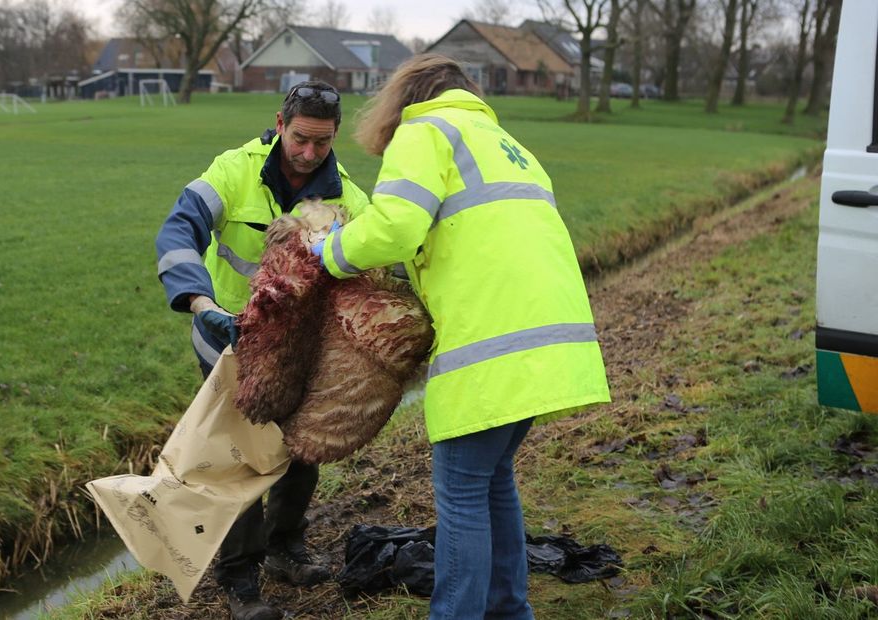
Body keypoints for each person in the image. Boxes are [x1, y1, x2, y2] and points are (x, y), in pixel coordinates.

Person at [315, 54, 611, 619]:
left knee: (463, 495)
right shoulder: (503, 142)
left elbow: (396, 226)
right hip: (550, 342)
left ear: (404, 99)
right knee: (494, 479)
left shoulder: (423, 131)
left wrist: (327, 254)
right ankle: (508, 610)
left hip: (491, 345)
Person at [154, 80, 369, 620]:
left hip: (300, 349)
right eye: (299, 138)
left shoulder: (348, 196)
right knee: (240, 455)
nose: (308, 153)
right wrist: (202, 304)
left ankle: (284, 549)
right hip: (228, 337)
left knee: (300, 447)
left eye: (321, 143)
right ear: (279, 124)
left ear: (335, 136)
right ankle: (239, 578)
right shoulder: (233, 170)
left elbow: (374, 266)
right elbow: (180, 227)